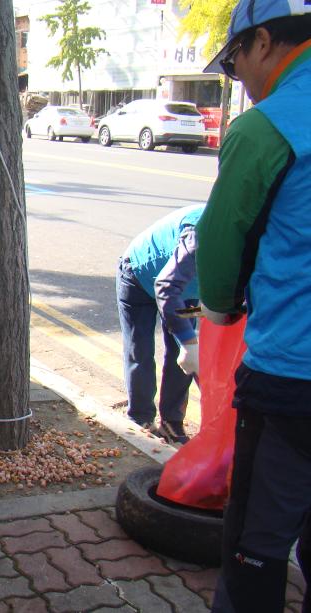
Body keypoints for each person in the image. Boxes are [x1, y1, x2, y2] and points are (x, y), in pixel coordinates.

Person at [195, 2, 311, 610]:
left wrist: (217, 311)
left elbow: (219, 248)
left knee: (255, 554)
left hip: (292, 382)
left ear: (262, 42)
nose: (240, 77)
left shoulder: (267, 126)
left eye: (235, 61)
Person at [116, 204, 204, 444]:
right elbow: (166, 288)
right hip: (138, 275)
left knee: (182, 355)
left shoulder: (252, 240)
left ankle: (171, 422)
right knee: (140, 350)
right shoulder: (200, 232)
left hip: (185, 288)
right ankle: (141, 417)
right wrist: (188, 342)